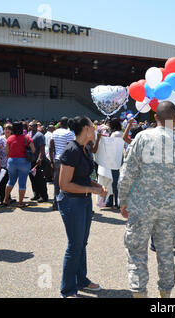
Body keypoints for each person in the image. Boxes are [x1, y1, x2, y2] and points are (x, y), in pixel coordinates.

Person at [118, 101, 175, 298]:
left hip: (141, 207)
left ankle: (139, 293)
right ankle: (165, 298)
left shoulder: (142, 137)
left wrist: (122, 200)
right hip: (168, 209)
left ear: (155, 117)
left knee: (137, 254)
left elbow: (127, 172)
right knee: (165, 254)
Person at [57, 116, 107, 298]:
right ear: (85, 129)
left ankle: (81, 280)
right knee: (74, 245)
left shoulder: (85, 149)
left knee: (81, 243)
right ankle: (68, 289)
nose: (95, 129)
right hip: (72, 202)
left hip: (83, 201)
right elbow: (64, 184)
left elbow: (83, 177)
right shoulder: (72, 150)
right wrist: (91, 189)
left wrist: (96, 186)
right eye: (92, 126)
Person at [3, 122, 35, 208]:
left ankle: (5, 199)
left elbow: (7, 152)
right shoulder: (27, 138)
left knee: (11, 181)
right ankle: (20, 203)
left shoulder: (9, 138)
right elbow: (33, 150)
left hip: (12, 161)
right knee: (22, 182)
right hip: (24, 162)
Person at [50, 117, 75, 210]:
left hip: (56, 159)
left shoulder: (55, 132)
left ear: (60, 123)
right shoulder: (69, 133)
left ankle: (55, 203)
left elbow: (51, 147)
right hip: (66, 161)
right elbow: (70, 148)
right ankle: (65, 203)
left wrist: (51, 160)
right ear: (68, 124)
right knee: (67, 182)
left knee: (56, 183)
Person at [104, 118, 123, 208]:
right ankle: (113, 201)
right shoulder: (121, 133)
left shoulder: (115, 134)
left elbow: (111, 147)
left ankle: (114, 202)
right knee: (114, 180)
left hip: (113, 159)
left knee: (112, 181)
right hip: (118, 158)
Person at [28, 121, 48, 203]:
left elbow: (42, 148)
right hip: (31, 161)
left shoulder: (39, 135)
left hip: (38, 161)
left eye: (31, 126)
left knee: (41, 179)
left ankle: (43, 196)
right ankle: (36, 194)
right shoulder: (29, 134)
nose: (29, 127)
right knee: (33, 179)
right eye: (29, 125)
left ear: (35, 126)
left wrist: (40, 158)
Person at [0, 123, 14, 205]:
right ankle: (3, 199)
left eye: (9, 129)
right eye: (6, 129)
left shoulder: (13, 138)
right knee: (2, 182)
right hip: (1, 164)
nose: (7, 130)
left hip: (11, 164)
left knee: (9, 182)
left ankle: (8, 197)